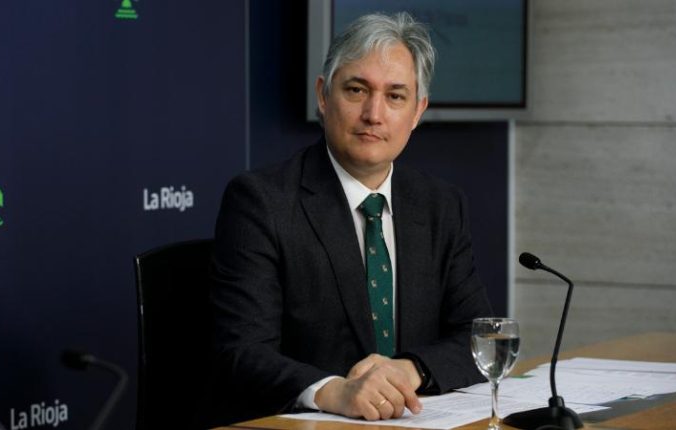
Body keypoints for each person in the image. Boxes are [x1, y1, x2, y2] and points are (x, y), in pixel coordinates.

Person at [210, 11, 492, 425]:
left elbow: (477, 337)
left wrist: (409, 370)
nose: (374, 114)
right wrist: (333, 391)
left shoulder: (440, 204)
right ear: (323, 96)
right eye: (357, 90)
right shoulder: (262, 201)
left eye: (395, 96)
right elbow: (243, 350)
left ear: (418, 111)